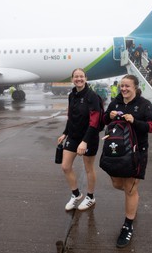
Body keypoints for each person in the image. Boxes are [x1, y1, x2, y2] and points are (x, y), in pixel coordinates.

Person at [103, 74, 152, 248]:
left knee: (130, 188)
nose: (124, 89)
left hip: (136, 152)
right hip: (115, 152)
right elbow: (103, 121)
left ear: (135, 87)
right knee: (117, 184)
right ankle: (133, 201)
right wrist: (109, 116)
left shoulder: (144, 105)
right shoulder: (115, 103)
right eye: (122, 86)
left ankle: (128, 225)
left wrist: (135, 121)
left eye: (127, 86)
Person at [57, 68, 102, 211]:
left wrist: (85, 141)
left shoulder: (92, 96)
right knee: (65, 166)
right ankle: (76, 194)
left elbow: (95, 122)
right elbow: (71, 117)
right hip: (74, 136)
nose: (79, 79)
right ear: (72, 79)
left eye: (81, 76)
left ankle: (90, 197)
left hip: (89, 137)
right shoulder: (72, 95)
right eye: (76, 77)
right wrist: (65, 133)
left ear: (86, 78)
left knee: (89, 168)